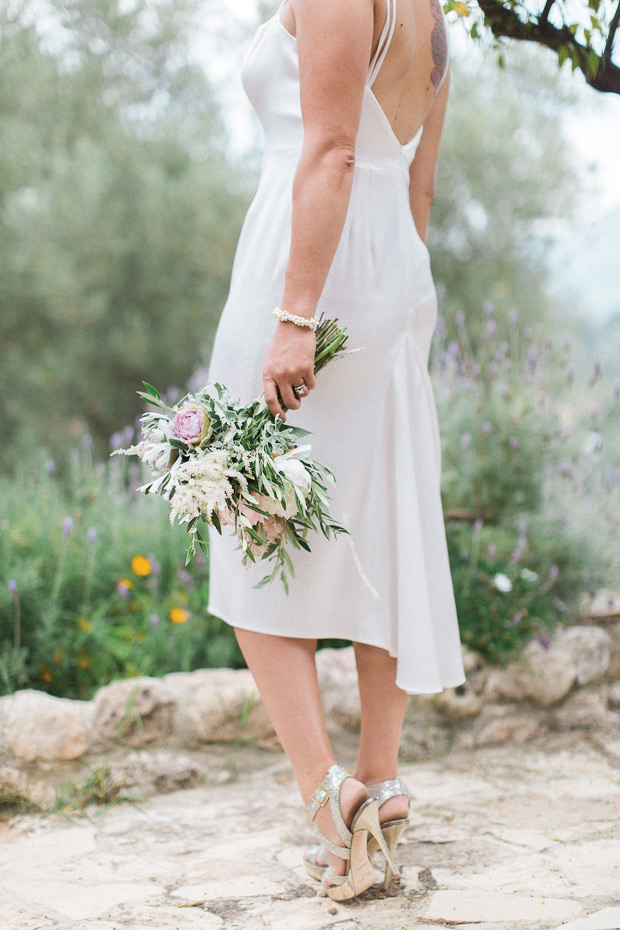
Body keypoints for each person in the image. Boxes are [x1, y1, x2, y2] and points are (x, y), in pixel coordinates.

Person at [207, 0, 466, 901]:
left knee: (245, 512)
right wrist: (391, 308)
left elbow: (329, 151)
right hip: (392, 267)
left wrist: (296, 317)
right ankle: (382, 783)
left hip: (308, 260)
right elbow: (419, 189)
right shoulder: (435, 24)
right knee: (383, 517)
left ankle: (332, 799)